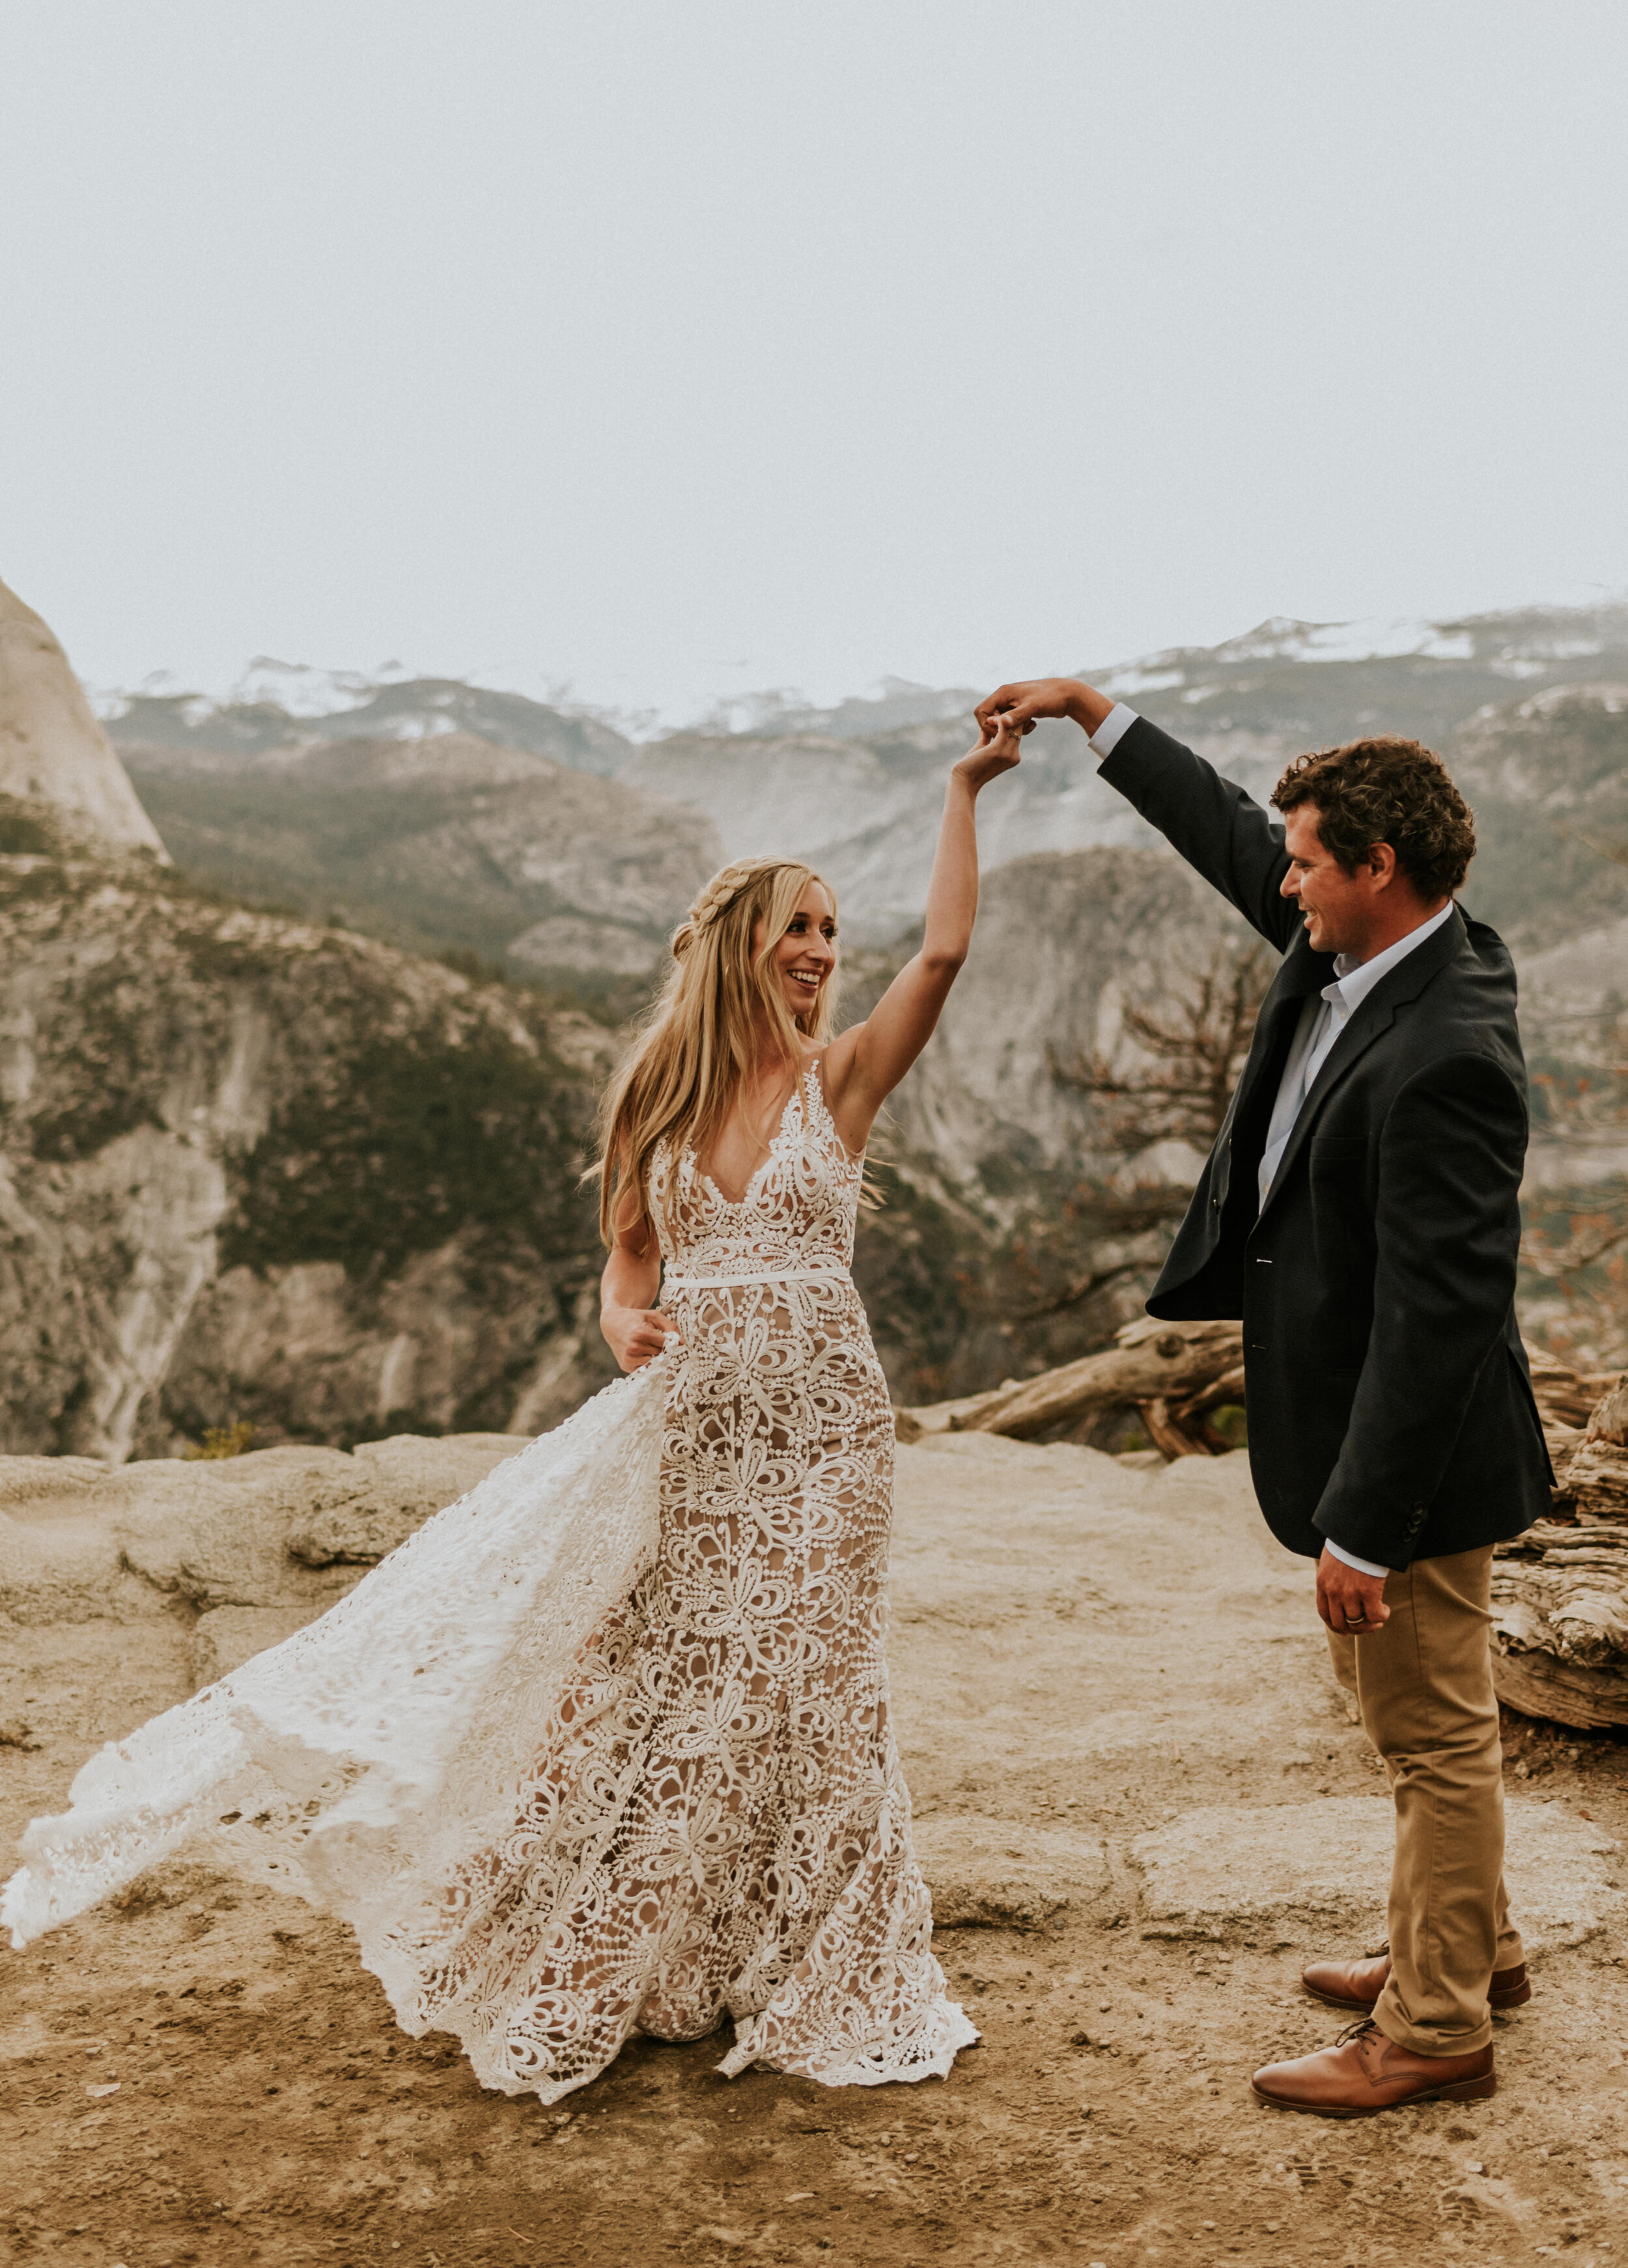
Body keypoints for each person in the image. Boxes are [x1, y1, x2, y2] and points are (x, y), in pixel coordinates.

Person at [3, 713, 1022, 2107]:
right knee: (653, 1677)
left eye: (832, 929)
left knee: (816, 1693)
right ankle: (656, 1951)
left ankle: (803, 1959)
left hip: (826, 1434)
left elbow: (944, 954)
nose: (822, 950)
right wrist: (621, 1315)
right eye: (800, 924)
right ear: (740, 941)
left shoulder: (834, 1084)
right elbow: (624, 1261)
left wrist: (962, 789)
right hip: (698, 1431)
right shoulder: (656, 1099)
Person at [973, 673, 1551, 2118]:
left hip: (1404, 1461)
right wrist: (1097, 717)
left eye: (1306, 860)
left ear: (1377, 869)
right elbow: (1231, 837)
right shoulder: (1379, 951)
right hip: (1373, 1443)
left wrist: (1361, 1524)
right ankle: (1467, 1940)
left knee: (1427, 1733)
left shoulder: (1444, 1053)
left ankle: (1431, 2029)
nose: (1279, 877)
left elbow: (1440, 1318)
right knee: (1417, 1719)